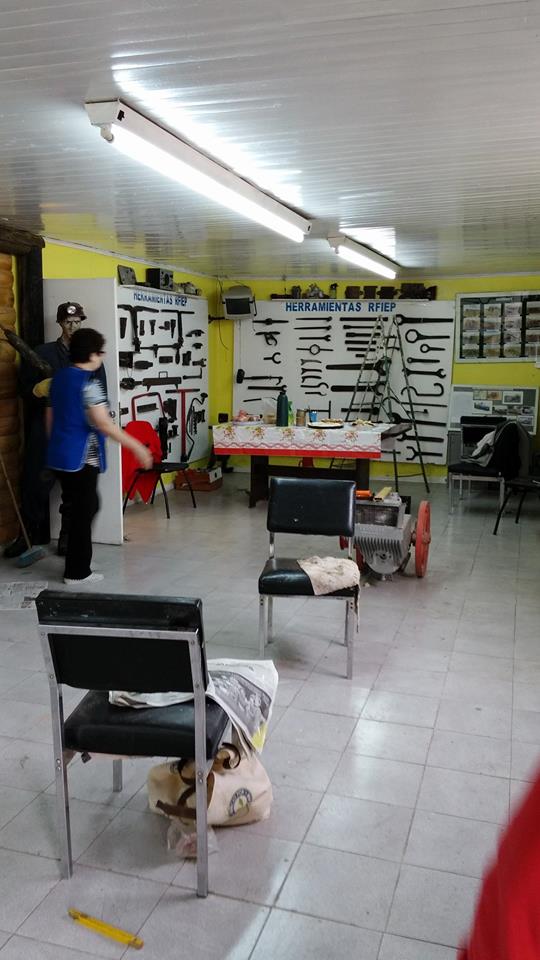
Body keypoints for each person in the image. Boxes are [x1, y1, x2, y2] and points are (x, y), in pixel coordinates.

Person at [47, 327, 152, 584]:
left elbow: (49, 416)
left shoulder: (58, 378)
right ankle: (77, 572)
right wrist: (138, 447)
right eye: (100, 352)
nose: (102, 356)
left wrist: (56, 442)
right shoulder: (89, 384)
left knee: (80, 507)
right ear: (92, 354)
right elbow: (104, 424)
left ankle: (78, 560)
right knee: (85, 509)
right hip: (81, 458)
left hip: (60, 455)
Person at [4, 301, 107, 559]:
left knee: (74, 492)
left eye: (77, 322)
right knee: (34, 485)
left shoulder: (90, 356)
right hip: (44, 430)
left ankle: (67, 537)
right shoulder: (42, 352)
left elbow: (100, 396)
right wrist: (38, 390)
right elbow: (25, 390)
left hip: (76, 434)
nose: (72, 326)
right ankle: (27, 535)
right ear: (60, 323)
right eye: (68, 322)